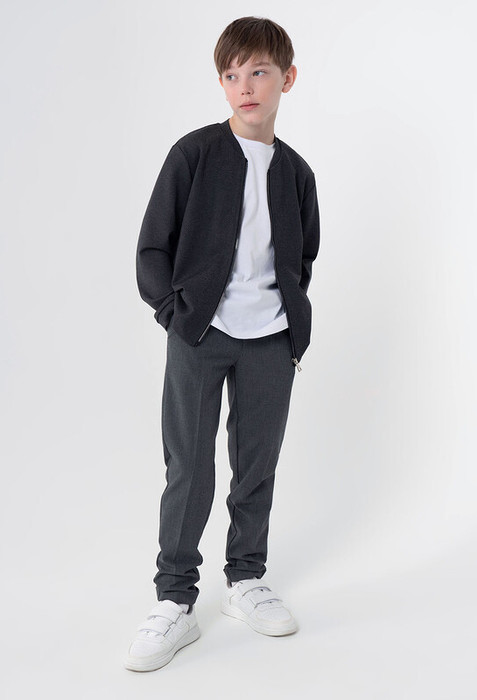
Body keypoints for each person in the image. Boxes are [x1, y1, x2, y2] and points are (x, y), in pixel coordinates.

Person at [125, 16, 320, 672]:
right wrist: (176, 316)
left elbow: (303, 257)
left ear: (286, 79)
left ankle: (246, 580)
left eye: (259, 71)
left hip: (271, 341)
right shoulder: (194, 154)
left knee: (256, 464)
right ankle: (174, 600)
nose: (245, 86)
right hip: (200, 334)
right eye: (232, 75)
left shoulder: (296, 173)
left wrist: (290, 324)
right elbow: (153, 245)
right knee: (188, 467)